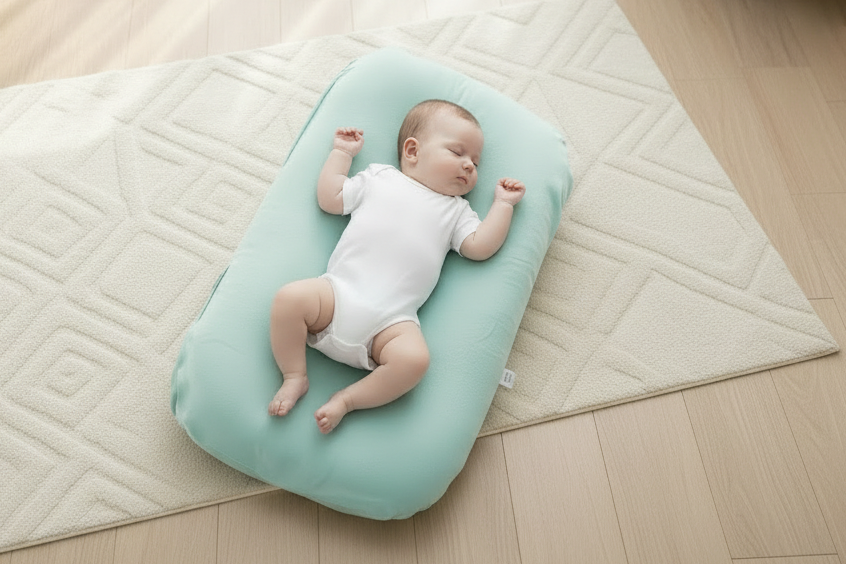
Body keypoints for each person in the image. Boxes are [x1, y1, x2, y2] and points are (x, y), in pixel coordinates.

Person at [268, 99, 526, 433]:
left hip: (390, 324)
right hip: (337, 295)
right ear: (412, 150)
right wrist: (342, 154)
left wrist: (503, 206)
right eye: (458, 153)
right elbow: (330, 198)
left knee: (415, 361)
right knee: (289, 298)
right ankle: (294, 376)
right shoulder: (379, 178)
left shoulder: (456, 211)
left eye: (475, 162)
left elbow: (479, 246)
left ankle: (348, 399)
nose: (469, 166)